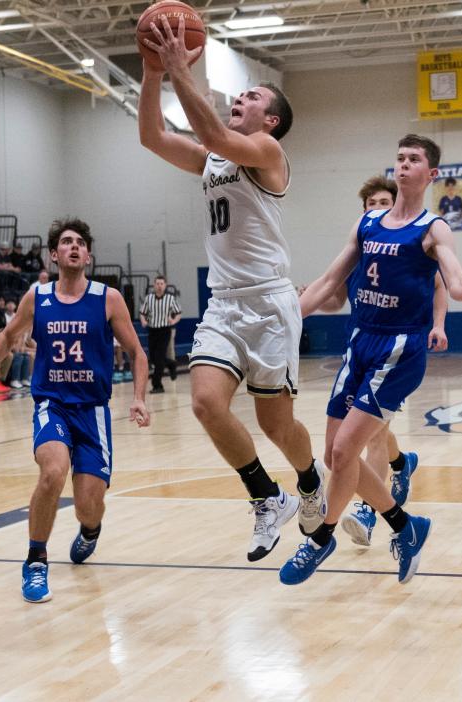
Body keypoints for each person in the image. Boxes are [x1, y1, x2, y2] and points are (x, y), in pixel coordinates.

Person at [139, 17, 328, 560]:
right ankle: (267, 497)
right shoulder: (212, 161)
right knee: (203, 402)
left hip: (269, 304)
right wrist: (154, 73)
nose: (239, 98)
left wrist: (180, 70)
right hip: (224, 304)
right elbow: (152, 137)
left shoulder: (268, 152)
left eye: (251, 96)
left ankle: (309, 481)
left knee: (276, 424)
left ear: (270, 120)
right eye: (239, 93)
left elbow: (215, 134)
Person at [280, 134, 462, 586]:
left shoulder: (433, 229)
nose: (404, 164)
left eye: (414, 159)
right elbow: (328, 280)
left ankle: (320, 539)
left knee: (343, 449)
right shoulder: (368, 222)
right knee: (338, 460)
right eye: (400, 157)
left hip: (399, 350)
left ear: (430, 174)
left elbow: (450, 276)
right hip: (360, 343)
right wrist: (288, 318)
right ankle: (404, 526)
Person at [0, 218, 150, 603]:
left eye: (80, 243)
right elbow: (7, 335)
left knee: (88, 507)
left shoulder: (108, 298)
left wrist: (138, 397)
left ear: (88, 255)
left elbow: (136, 352)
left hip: (93, 410)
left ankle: (89, 529)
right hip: (52, 403)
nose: (73, 247)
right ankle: (36, 561)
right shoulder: (38, 297)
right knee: (52, 472)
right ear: (54, 254)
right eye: (66, 242)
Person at [306, 176, 448, 550]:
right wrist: (304, 301)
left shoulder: (411, 246)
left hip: (395, 351)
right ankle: (401, 465)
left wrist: (439, 325)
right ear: (365, 209)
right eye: (373, 204)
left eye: (386, 202)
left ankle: (370, 510)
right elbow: (334, 299)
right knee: (362, 438)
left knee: (363, 439)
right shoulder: (360, 249)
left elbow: (439, 286)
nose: (379, 209)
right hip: (361, 347)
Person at [139, 275, 182, 393]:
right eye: (157, 284)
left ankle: (157, 385)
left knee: (158, 359)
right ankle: (172, 364)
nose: (159, 286)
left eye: (161, 284)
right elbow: (142, 312)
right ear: (154, 285)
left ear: (165, 285)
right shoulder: (149, 298)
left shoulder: (170, 298)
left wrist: (174, 321)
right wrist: (143, 321)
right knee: (153, 358)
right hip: (152, 331)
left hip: (164, 331)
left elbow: (178, 313)